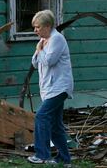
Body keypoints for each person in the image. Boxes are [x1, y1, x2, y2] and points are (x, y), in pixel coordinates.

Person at [27, 10, 73, 165]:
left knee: (41, 116)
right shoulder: (44, 40)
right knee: (55, 125)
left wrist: (40, 50)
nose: (35, 30)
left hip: (59, 87)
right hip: (49, 88)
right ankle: (64, 159)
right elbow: (35, 63)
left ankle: (42, 155)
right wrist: (38, 49)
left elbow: (49, 61)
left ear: (47, 26)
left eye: (38, 27)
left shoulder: (57, 39)